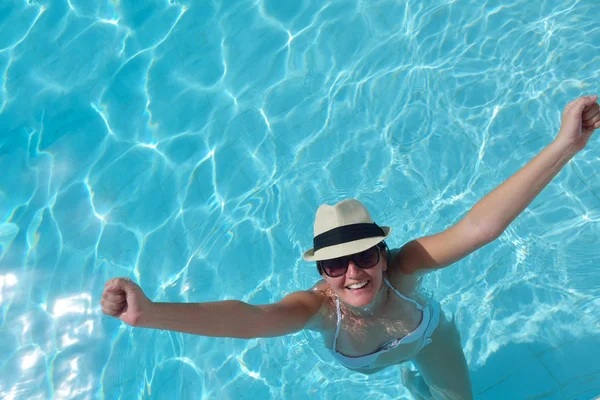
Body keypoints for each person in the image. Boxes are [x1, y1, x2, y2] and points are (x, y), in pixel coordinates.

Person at [101, 95, 600, 399]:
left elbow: (478, 228)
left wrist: (564, 146)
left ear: (383, 254)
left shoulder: (404, 271)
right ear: (321, 270)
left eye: (365, 255)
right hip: (387, 357)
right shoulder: (317, 310)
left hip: (431, 342)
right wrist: (151, 314)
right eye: (337, 264)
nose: (354, 273)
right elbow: (249, 319)